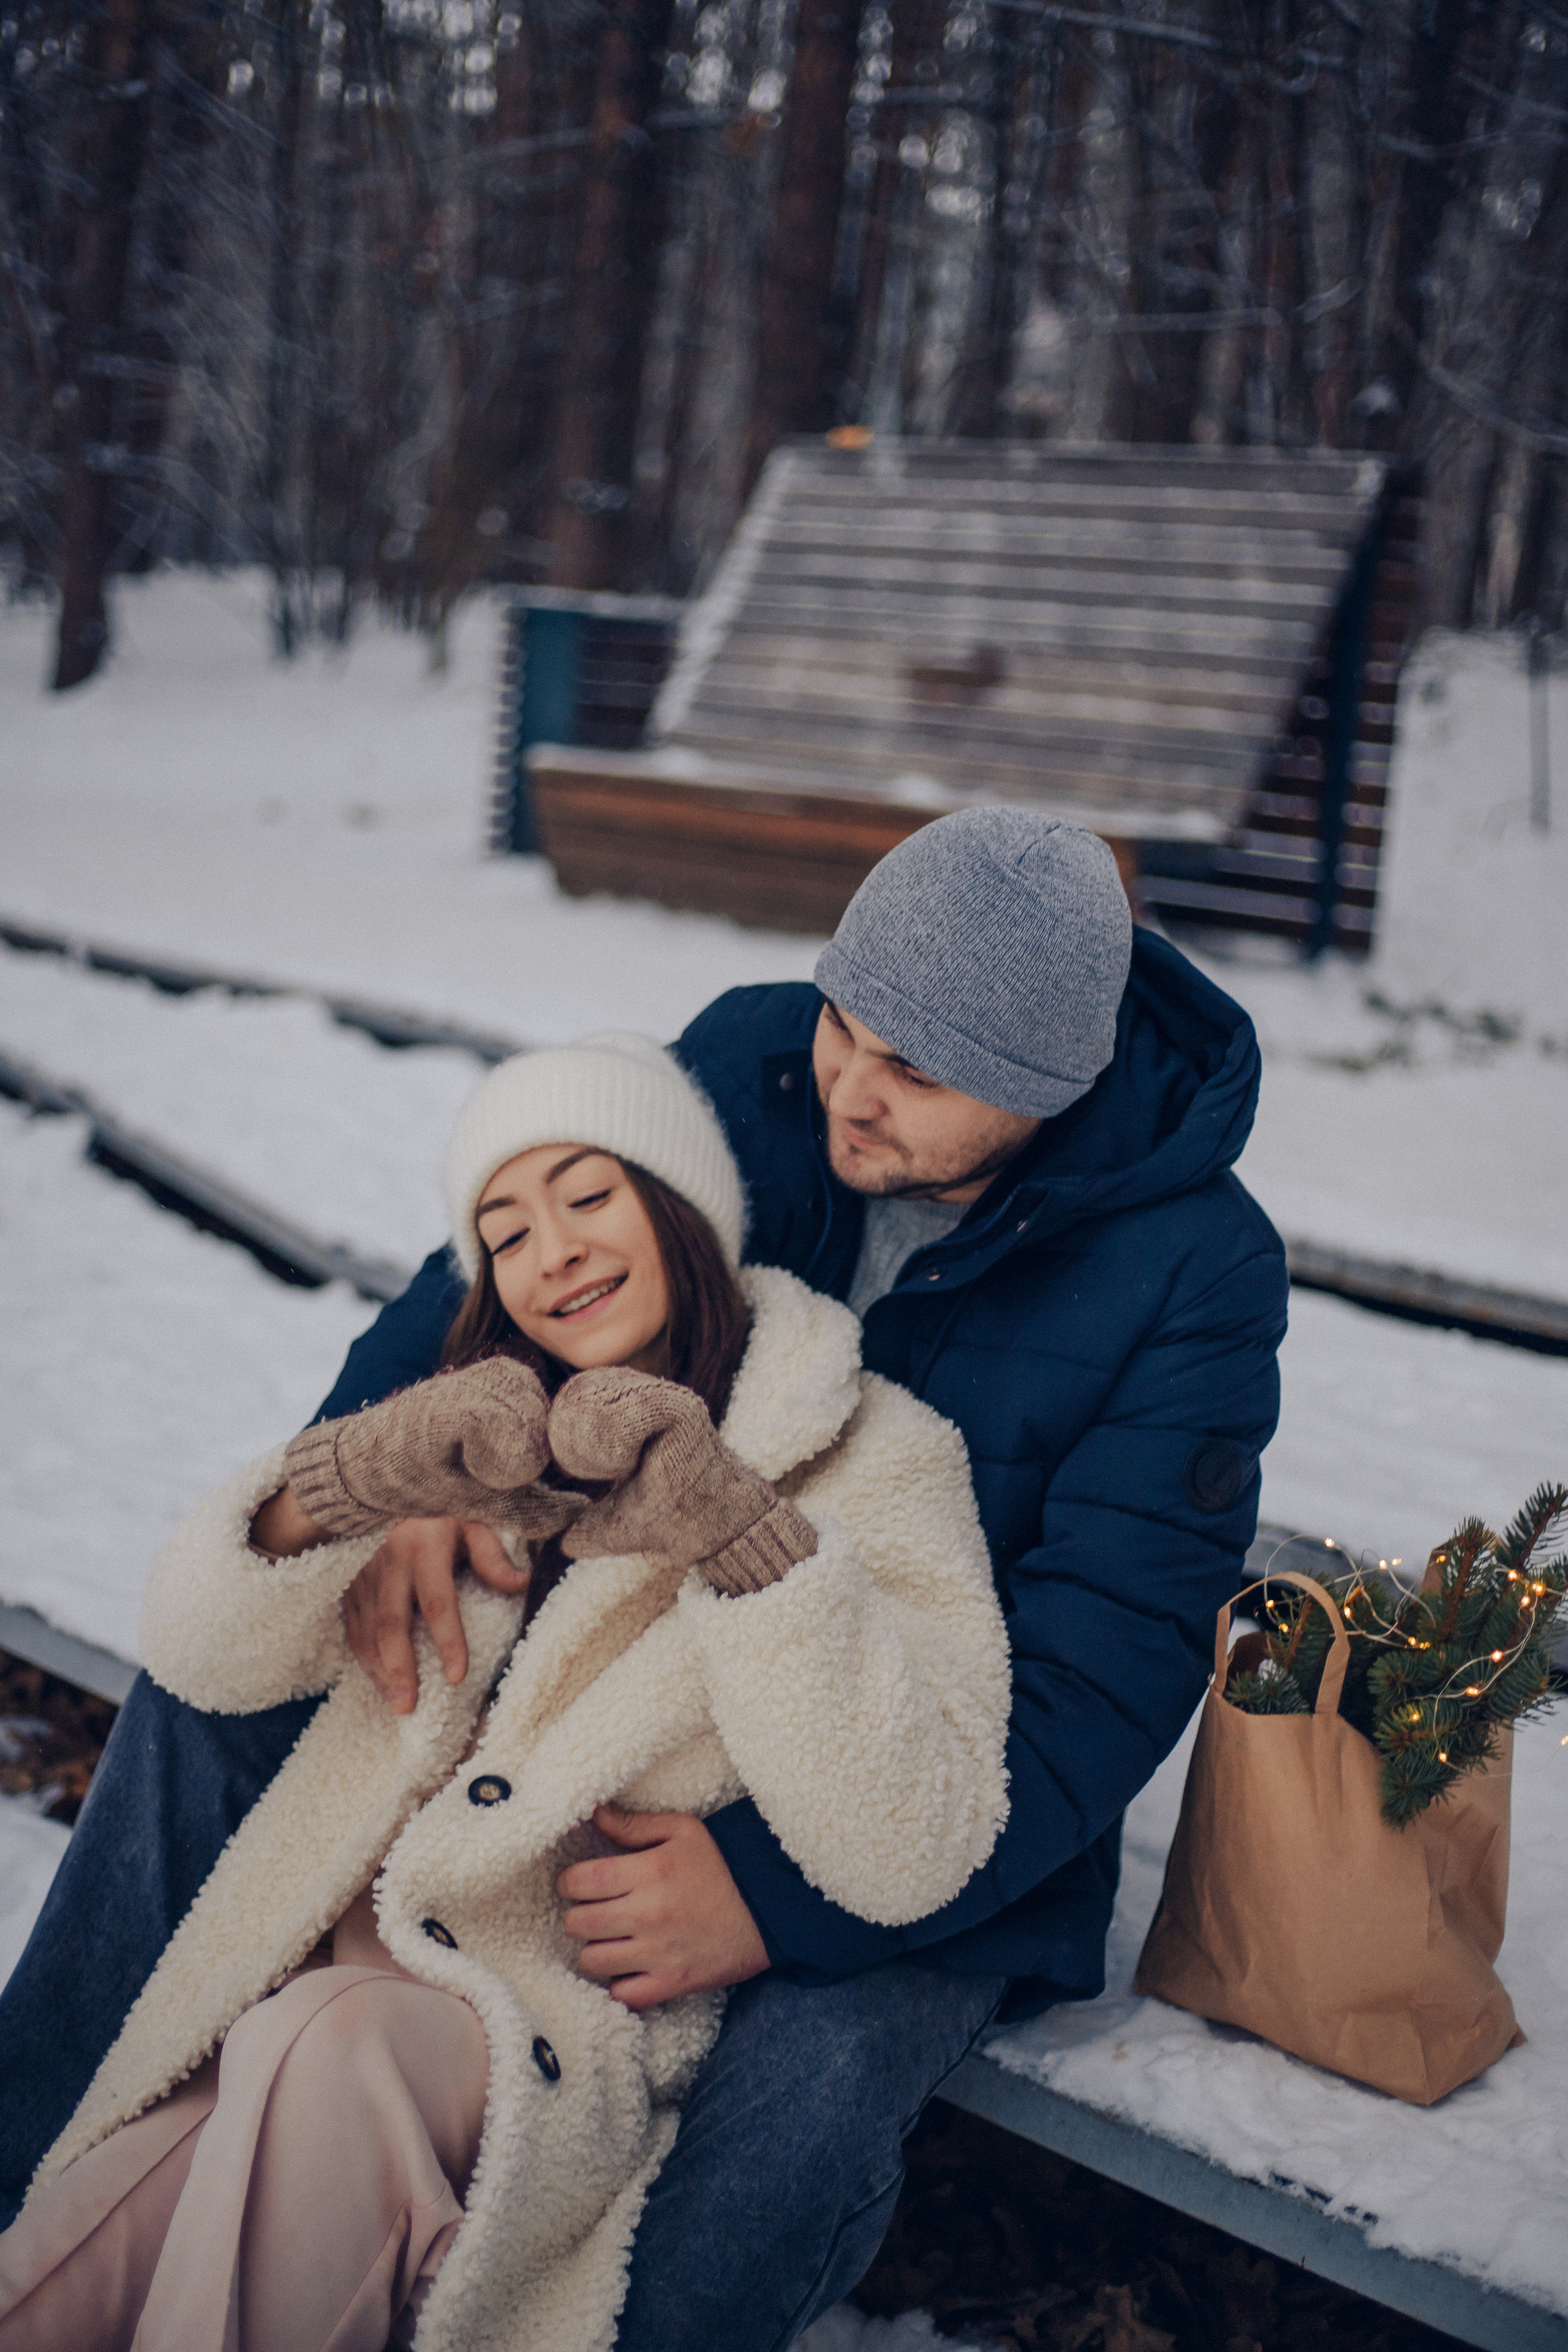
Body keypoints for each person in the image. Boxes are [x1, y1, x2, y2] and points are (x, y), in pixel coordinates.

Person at [0, 807, 1289, 2352]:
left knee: (810, 2077)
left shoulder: (1191, 1273)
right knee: (224, 1696)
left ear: (1048, 1091)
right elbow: (488, 1279)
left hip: (922, 1779)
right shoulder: (749, 1066)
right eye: (844, 1025)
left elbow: (1103, 1676)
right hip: (608, 1666)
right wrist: (398, 1473)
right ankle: (35, 2153)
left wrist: (772, 1900)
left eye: (915, 1076)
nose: (850, 1093)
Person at [0, 1033, 1010, 2350]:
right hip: (268, 2007)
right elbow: (199, 1656)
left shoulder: (870, 1456)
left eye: (590, 1198)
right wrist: (352, 1479)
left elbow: (908, 1846)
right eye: (506, 1231)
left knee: (330, 2041)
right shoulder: (472, 1429)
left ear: (680, 1210)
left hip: (525, 2043)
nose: (557, 1253)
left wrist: (739, 1537)